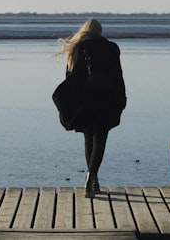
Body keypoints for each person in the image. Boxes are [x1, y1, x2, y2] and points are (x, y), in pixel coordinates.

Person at [54, 18, 126, 197]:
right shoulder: (111, 48)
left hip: (85, 100)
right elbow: (118, 75)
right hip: (106, 99)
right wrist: (121, 98)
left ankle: (92, 180)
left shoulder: (77, 48)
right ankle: (91, 176)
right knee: (100, 140)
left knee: (89, 138)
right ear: (100, 32)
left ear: (85, 30)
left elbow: (70, 76)